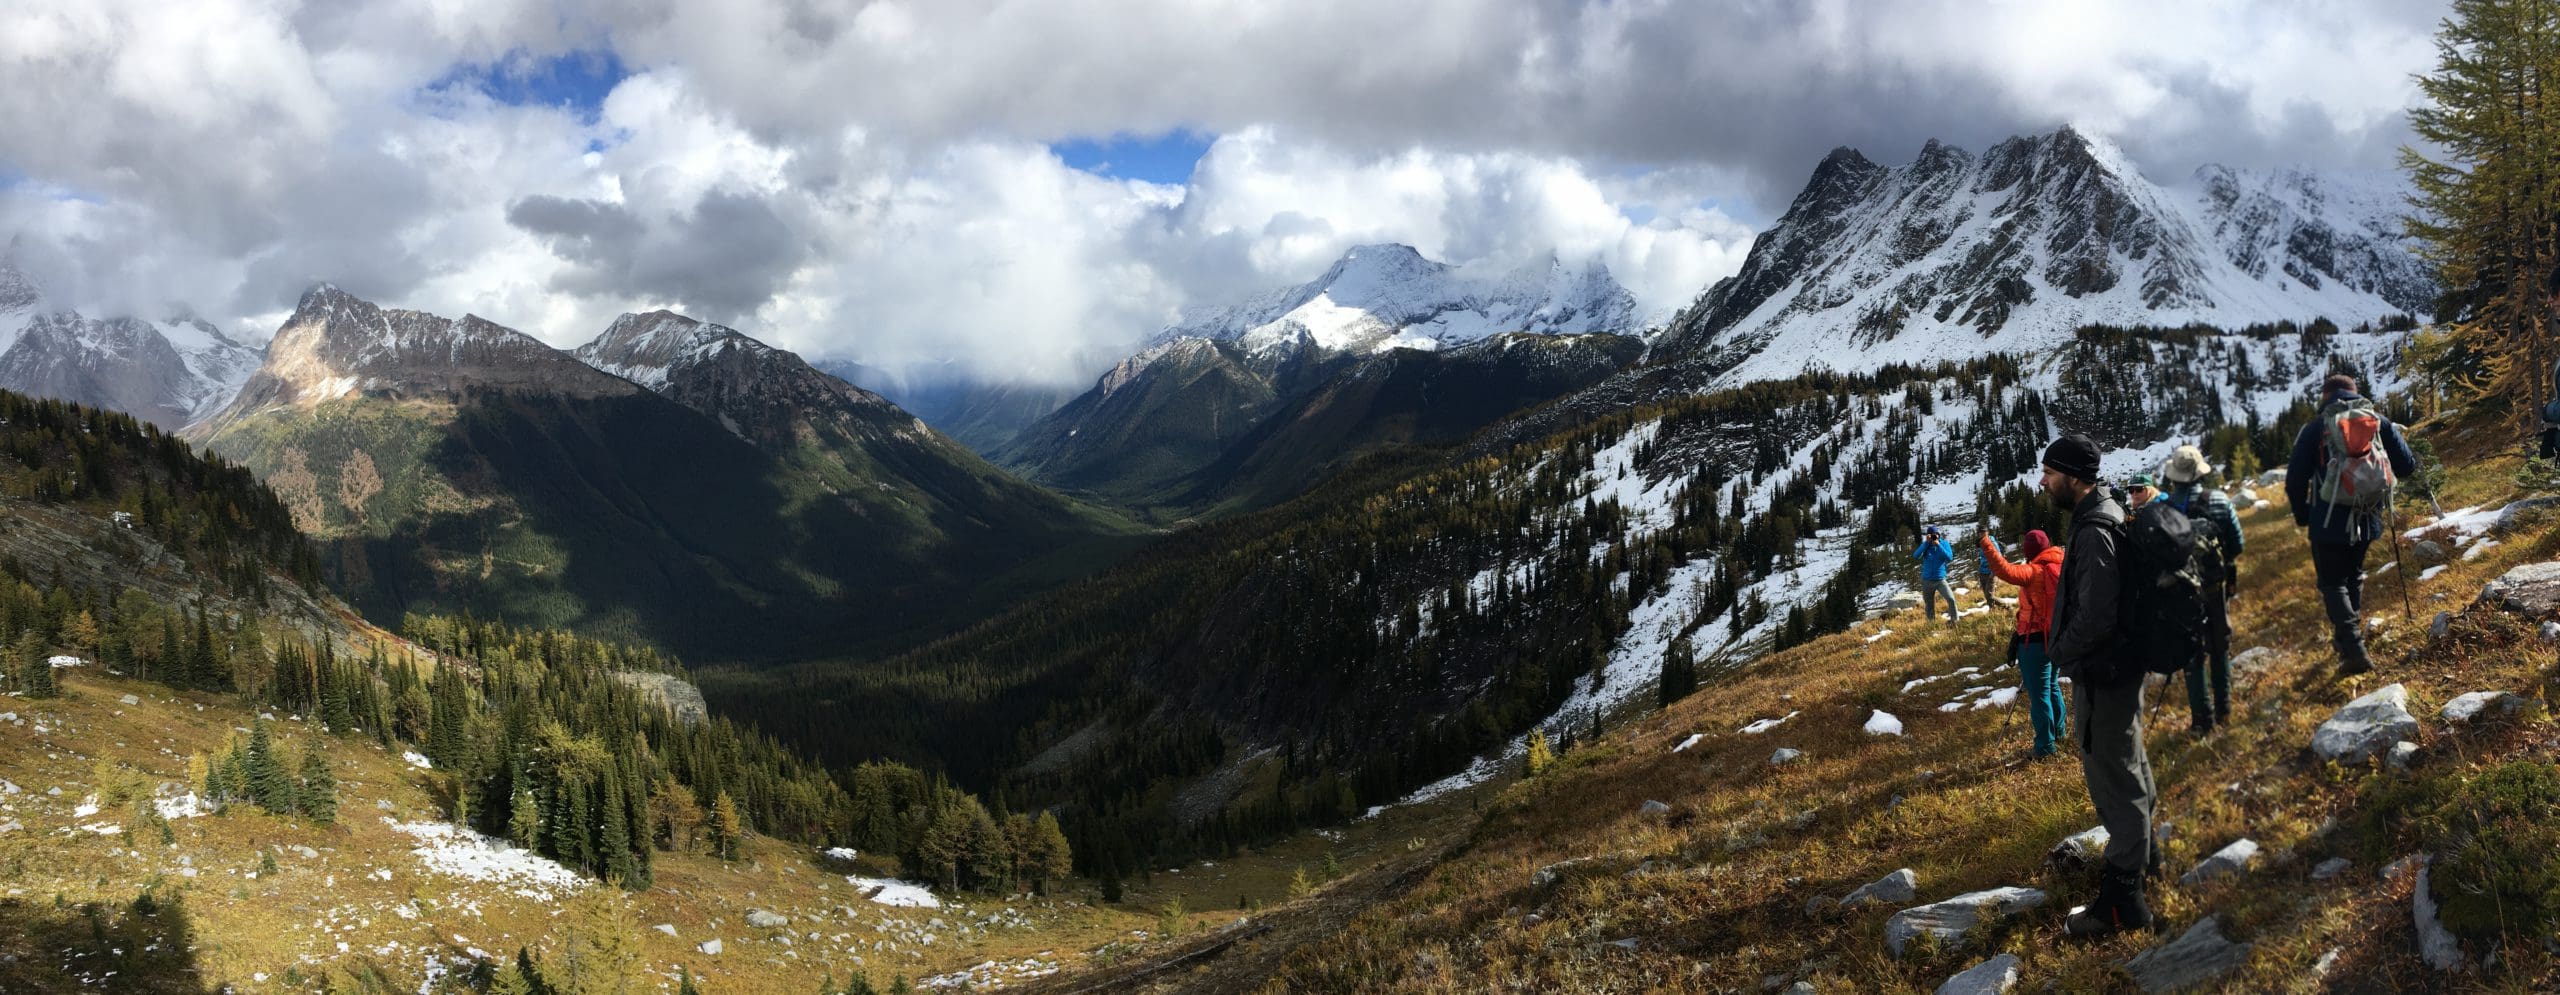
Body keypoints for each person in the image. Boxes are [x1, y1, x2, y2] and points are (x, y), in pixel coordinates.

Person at [2039, 434, 2154, 938]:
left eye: (2050, 473)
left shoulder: (2094, 529)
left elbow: (2098, 613)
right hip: (2116, 670)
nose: (2043, 482)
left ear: (2074, 477)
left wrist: (2058, 648)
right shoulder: (2102, 514)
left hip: (2105, 674)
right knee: (2129, 765)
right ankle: (2147, 861)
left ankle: (2122, 902)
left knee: (2114, 777)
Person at [2285, 374, 2418, 676]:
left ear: (2326, 395)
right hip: (2367, 517)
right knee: (2353, 576)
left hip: (2328, 520)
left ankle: (2354, 648)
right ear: (2354, 393)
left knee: (2332, 583)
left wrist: (2303, 514)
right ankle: (2347, 644)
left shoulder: (2315, 429)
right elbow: (2407, 467)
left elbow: (2294, 480)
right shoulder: (2378, 421)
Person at [2159, 444, 2243, 733]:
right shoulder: (2219, 500)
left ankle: (2201, 720)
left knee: (2192, 654)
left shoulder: (2164, 509)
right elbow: (2237, 543)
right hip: (2214, 586)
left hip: (2181, 592)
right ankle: (2225, 709)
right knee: (2219, 646)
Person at [1981, 528, 2066, 758]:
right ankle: (2060, 732)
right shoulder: (2062, 564)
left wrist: (1985, 543)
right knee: (2052, 686)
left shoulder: (2033, 571)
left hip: (2034, 641)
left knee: (2039, 695)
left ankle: (2045, 747)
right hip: (2057, 638)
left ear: (2029, 551)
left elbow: (2004, 570)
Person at [1913, 526, 1959, 626]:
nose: (1935, 536)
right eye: (1932, 535)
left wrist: (1939, 546)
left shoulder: (1944, 544)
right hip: (1927, 580)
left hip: (1940, 579)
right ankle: (1931, 625)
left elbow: (1949, 557)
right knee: (1929, 605)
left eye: (1936, 534)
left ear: (1939, 535)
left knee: (1951, 599)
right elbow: (1915, 556)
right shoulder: (1926, 546)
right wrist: (1926, 543)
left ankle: (1955, 621)